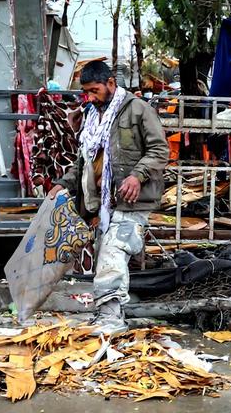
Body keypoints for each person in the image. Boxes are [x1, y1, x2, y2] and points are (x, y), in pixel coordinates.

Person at [48, 61, 169, 335]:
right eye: (86, 92)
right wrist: (63, 184)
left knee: (112, 253)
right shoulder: (92, 115)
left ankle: (110, 319)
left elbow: (160, 150)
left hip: (132, 200)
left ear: (111, 83)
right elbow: (85, 161)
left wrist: (137, 176)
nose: (90, 97)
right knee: (106, 253)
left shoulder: (138, 110)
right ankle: (109, 313)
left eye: (95, 90)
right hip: (103, 204)